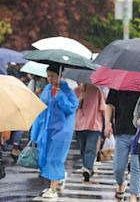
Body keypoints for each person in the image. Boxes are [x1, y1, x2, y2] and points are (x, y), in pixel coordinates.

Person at [30, 64, 79, 199]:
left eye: (53, 76)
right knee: (44, 157)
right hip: (46, 130)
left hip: (61, 131)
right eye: (48, 76)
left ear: (60, 76)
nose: (50, 79)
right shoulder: (47, 88)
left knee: (54, 158)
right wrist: (35, 133)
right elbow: (41, 110)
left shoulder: (67, 91)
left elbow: (71, 108)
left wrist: (60, 97)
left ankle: (53, 189)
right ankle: (57, 179)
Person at [105, 89, 140, 200]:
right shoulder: (118, 84)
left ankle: (134, 195)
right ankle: (121, 183)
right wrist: (107, 123)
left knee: (136, 167)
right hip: (121, 132)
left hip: (139, 132)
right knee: (118, 167)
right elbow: (109, 104)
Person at [74, 84, 106, 182]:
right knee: (83, 148)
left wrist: (107, 123)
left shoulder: (97, 90)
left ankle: (87, 168)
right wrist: (80, 99)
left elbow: (103, 108)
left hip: (94, 124)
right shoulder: (76, 91)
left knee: (90, 148)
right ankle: (87, 167)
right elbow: (72, 107)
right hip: (79, 124)